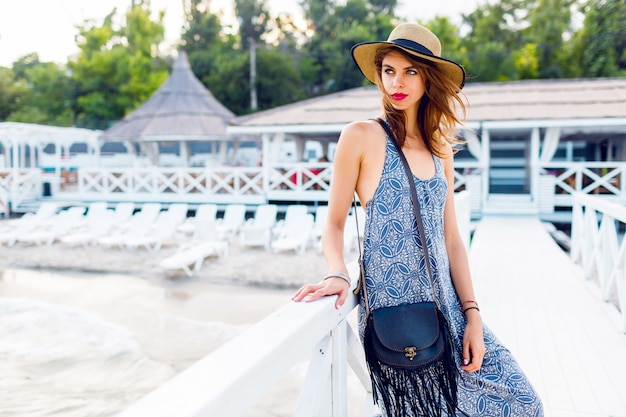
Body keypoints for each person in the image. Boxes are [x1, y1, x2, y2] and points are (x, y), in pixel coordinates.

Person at [292, 23, 543, 416]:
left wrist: (473, 316)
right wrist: (337, 272)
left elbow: (453, 240)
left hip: (452, 314)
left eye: (411, 71)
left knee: (525, 404)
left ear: (429, 78)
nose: (398, 82)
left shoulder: (441, 147)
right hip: (401, 322)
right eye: (389, 70)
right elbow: (335, 223)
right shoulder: (360, 136)